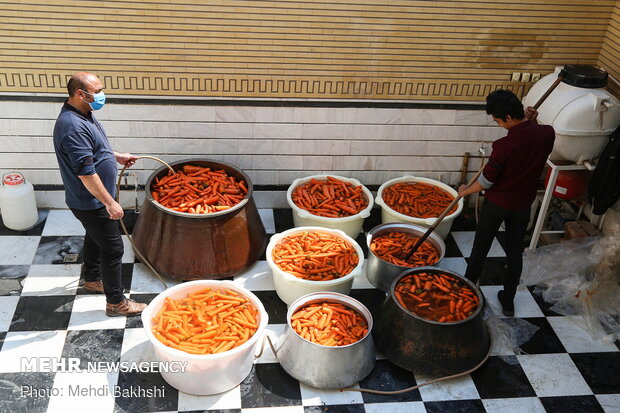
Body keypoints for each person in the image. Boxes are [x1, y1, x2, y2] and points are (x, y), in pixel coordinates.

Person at [53, 72, 147, 317]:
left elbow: (95, 148)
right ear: (81, 94)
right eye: (98, 90)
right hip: (92, 202)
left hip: (91, 201)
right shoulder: (73, 127)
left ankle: (93, 278)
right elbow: (85, 173)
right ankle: (116, 303)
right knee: (114, 249)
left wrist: (116, 156)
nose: (102, 95)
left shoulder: (83, 114)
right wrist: (110, 203)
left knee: (95, 237)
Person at [458, 89, 555, 316]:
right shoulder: (547, 133)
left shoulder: (503, 146)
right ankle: (508, 300)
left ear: (509, 117)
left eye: (499, 121)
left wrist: (465, 191)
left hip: (497, 205)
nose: (499, 125)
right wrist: (532, 122)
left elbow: (486, 182)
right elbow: (535, 140)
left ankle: (467, 288)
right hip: (522, 206)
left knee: (480, 248)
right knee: (514, 253)